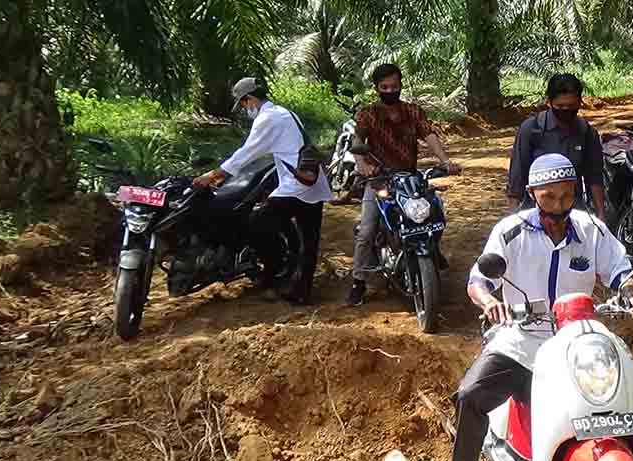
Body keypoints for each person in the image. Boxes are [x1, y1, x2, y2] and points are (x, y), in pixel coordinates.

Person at [439, 153, 633, 461]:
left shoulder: (589, 229)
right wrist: (490, 302)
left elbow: (617, 269)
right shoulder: (510, 232)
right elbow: (478, 281)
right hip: (523, 338)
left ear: (575, 191)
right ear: (533, 193)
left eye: (566, 195)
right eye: (548, 196)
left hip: (578, 336)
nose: (558, 206)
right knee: (471, 394)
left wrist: (626, 290)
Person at [193, 77, 330, 304]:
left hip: (296, 186)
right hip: (312, 182)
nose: (246, 109)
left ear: (250, 99)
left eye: (244, 104)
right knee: (309, 239)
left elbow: (246, 154)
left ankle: (273, 270)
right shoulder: (284, 113)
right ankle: (302, 292)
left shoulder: (267, 119)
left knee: (255, 225)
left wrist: (213, 175)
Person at [346, 63, 460, 307]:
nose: (389, 90)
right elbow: (358, 139)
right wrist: (362, 164)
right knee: (366, 229)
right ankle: (358, 281)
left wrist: (446, 161)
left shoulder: (413, 111)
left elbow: (429, 135)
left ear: (401, 85)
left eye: (394, 86)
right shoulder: (368, 114)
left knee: (432, 213)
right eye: (384, 87)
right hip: (378, 179)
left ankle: (431, 250)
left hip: (409, 177)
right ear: (376, 88)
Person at [506, 74, 607, 221]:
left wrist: (600, 215)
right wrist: (512, 218)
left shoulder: (587, 133)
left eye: (571, 106)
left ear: (580, 102)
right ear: (549, 102)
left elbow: (595, 177)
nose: (566, 110)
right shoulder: (531, 130)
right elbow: (517, 177)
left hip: (573, 214)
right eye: (560, 106)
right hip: (536, 214)